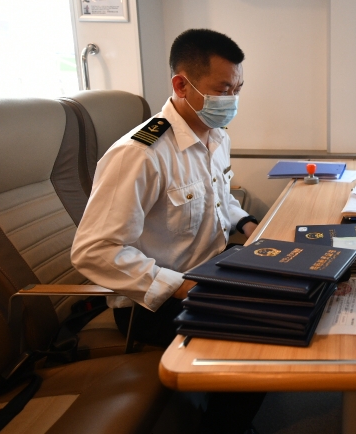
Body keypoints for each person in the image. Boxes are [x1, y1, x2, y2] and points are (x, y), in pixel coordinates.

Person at [72, 28, 263, 434]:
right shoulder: (139, 154)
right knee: (259, 337)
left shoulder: (216, 137)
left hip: (210, 277)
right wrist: (181, 288)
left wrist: (247, 224)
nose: (232, 100)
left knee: (286, 297)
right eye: (224, 89)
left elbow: (220, 197)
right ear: (181, 85)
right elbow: (95, 250)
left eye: (238, 88)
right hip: (154, 305)